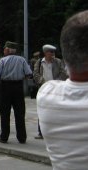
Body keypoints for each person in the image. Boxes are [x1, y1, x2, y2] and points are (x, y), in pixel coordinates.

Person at [37, 10, 88, 170]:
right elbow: (37, 74)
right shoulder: (40, 64)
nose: (51, 54)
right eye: (49, 52)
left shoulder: (46, 94)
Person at [0, 41, 32, 144]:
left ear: (7, 50)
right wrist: (21, 78)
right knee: (20, 113)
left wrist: (3, 81)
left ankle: (4, 137)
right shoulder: (22, 60)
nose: (4, 50)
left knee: (4, 113)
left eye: (5, 49)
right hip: (18, 87)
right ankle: (22, 137)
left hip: (5, 87)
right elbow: (29, 74)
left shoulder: (2, 60)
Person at [33, 44, 67, 140]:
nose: (52, 54)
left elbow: (63, 73)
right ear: (45, 53)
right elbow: (35, 74)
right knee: (42, 110)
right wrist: (44, 82)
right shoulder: (39, 62)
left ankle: (55, 131)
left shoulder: (58, 62)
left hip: (56, 89)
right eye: (50, 52)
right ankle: (41, 132)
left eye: (53, 52)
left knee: (56, 110)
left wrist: (55, 83)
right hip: (43, 90)